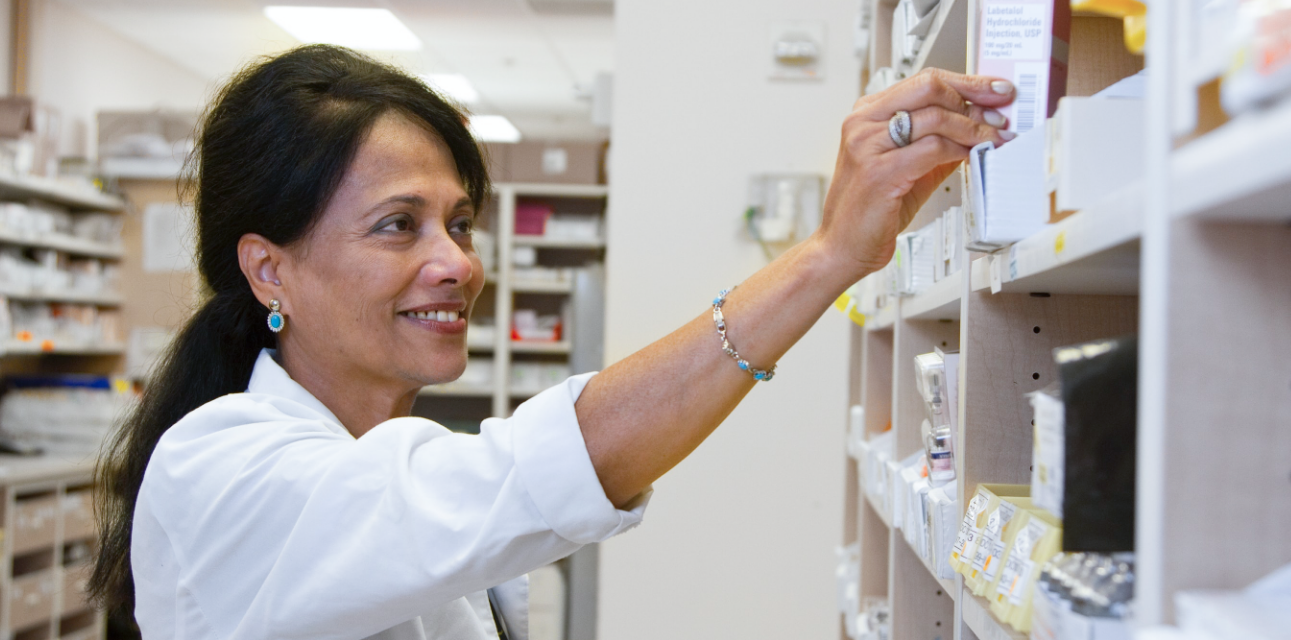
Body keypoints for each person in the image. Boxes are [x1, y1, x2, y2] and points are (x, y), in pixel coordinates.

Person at [90, 45, 1016, 640]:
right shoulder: (219, 471)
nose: (454, 262)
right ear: (269, 271)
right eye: (396, 226)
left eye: (458, 222)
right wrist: (823, 260)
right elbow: (532, 472)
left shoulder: (390, 461)